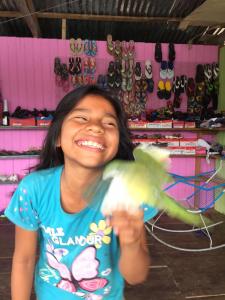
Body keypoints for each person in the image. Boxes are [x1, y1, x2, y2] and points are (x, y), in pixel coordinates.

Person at [5, 85, 158, 300]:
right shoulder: (33, 190)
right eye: (82, 118)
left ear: (116, 145)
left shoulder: (126, 193)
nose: (96, 128)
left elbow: (135, 276)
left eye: (109, 122)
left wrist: (131, 243)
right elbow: (24, 259)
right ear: (57, 137)